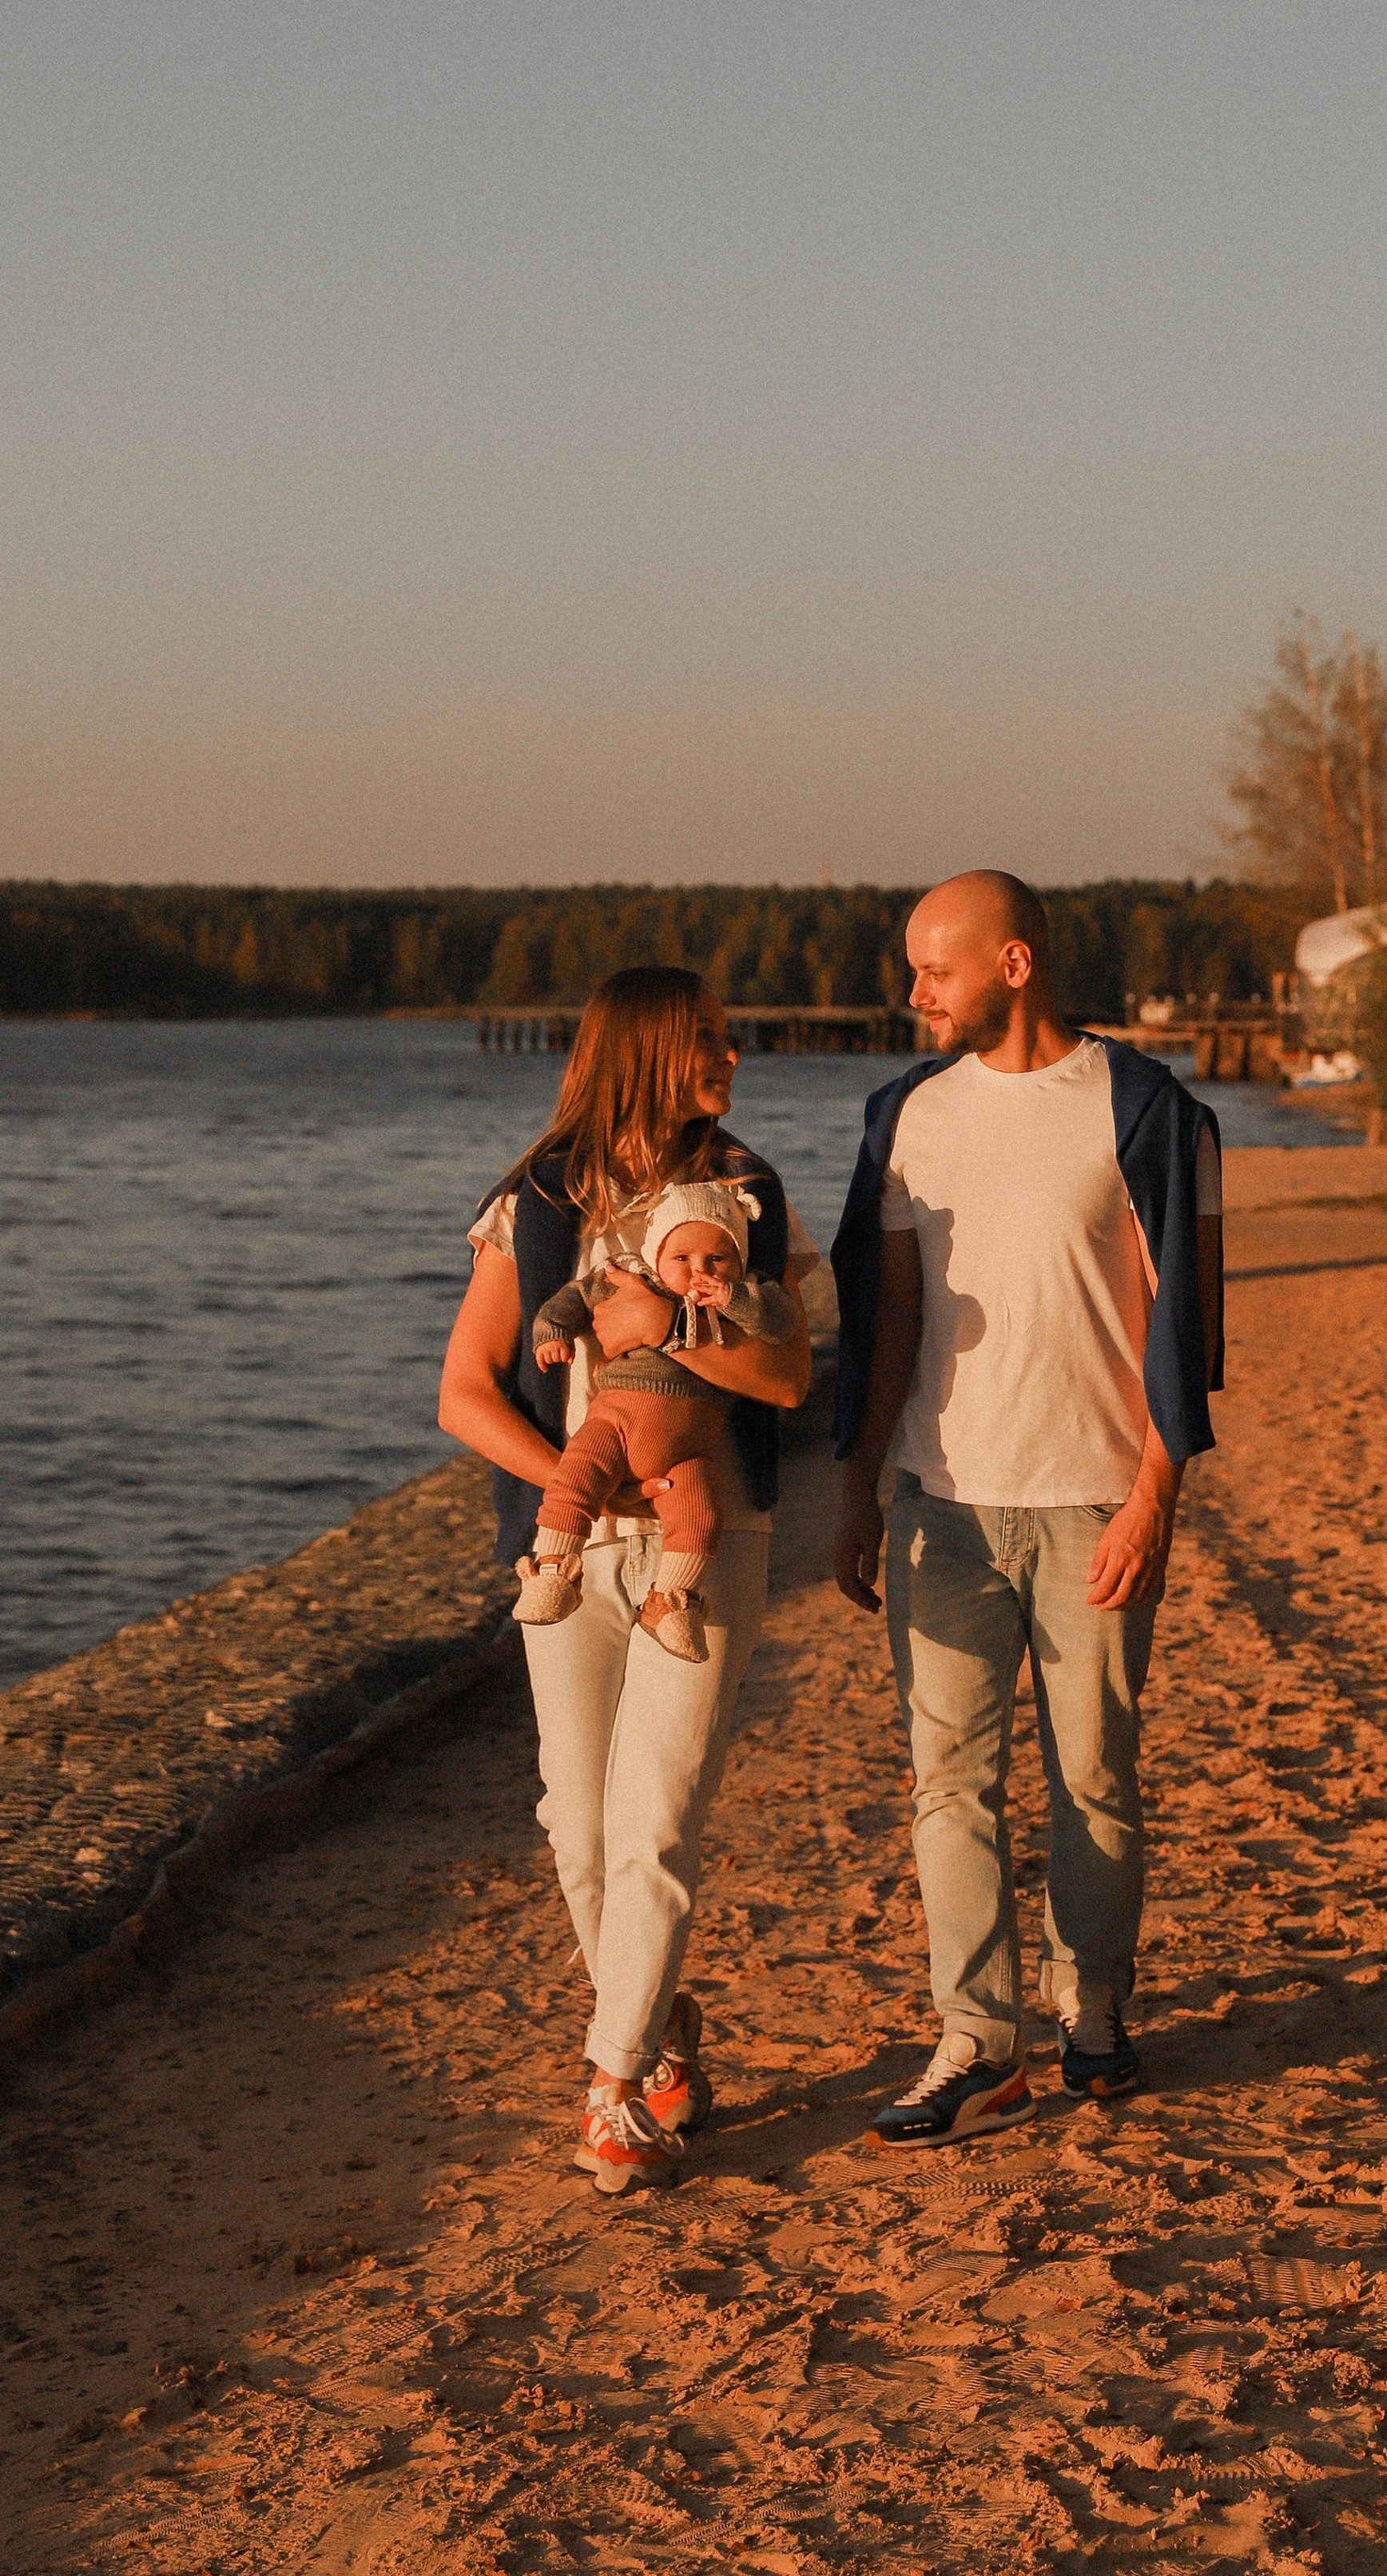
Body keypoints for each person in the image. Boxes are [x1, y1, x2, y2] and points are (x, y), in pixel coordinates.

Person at [831, 872, 1224, 2148]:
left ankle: (1092, 2004)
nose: (912, 994)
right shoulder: (906, 1116)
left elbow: (1187, 1318)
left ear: (1012, 964)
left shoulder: (1150, 1109)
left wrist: (1157, 1492)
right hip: (945, 1503)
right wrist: (858, 1490)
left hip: (1094, 1498)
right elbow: (887, 1320)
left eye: (931, 970)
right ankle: (978, 2039)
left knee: (1096, 1775)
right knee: (949, 1783)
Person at [439, 969, 817, 2195]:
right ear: (647, 1051)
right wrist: (573, 1483)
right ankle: (656, 2033)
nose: (733, 1057)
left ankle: (614, 2092)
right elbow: (462, 1395)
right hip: (569, 1539)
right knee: (576, 1821)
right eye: (708, 1040)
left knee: (655, 1818)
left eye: (728, 1037)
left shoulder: (747, 1190)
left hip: (705, 1541)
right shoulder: (533, 1198)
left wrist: (675, 1325)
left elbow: (793, 1379)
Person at [517, 1178, 802, 1662]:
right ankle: (553, 1570)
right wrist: (552, 1331)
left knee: (700, 1517)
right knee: (575, 1483)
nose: (700, 1271)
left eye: (718, 1259)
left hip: (686, 1448)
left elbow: (780, 1322)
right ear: (656, 1254)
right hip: (615, 1421)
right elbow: (572, 1299)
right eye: (683, 1259)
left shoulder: (744, 1298)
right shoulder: (632, 1277)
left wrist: (731, 1297)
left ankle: (669, 1603)